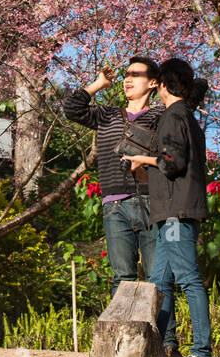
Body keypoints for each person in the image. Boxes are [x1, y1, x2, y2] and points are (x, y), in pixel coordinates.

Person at [63, 57, 175, 321]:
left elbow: (171, 155)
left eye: (136, 74)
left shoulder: (161, 115)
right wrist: (99, 84)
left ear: (152, 82)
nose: (128, 79)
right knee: (121, 277)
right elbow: (72, 110)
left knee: (158, 278)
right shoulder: (108, 114)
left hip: (151, 203)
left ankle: (166, 344)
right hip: (114, 205)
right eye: (126, 74)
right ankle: (120, 341)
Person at [127, 57, 213, 357]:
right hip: (168, 215)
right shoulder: (183, 115)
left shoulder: (174, 116)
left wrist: (142, 159)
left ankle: (202, 353)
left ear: (162, 84)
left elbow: (172, 161)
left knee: (188, 279)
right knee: (159, 283)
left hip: (176, 213)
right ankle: (161, 347)